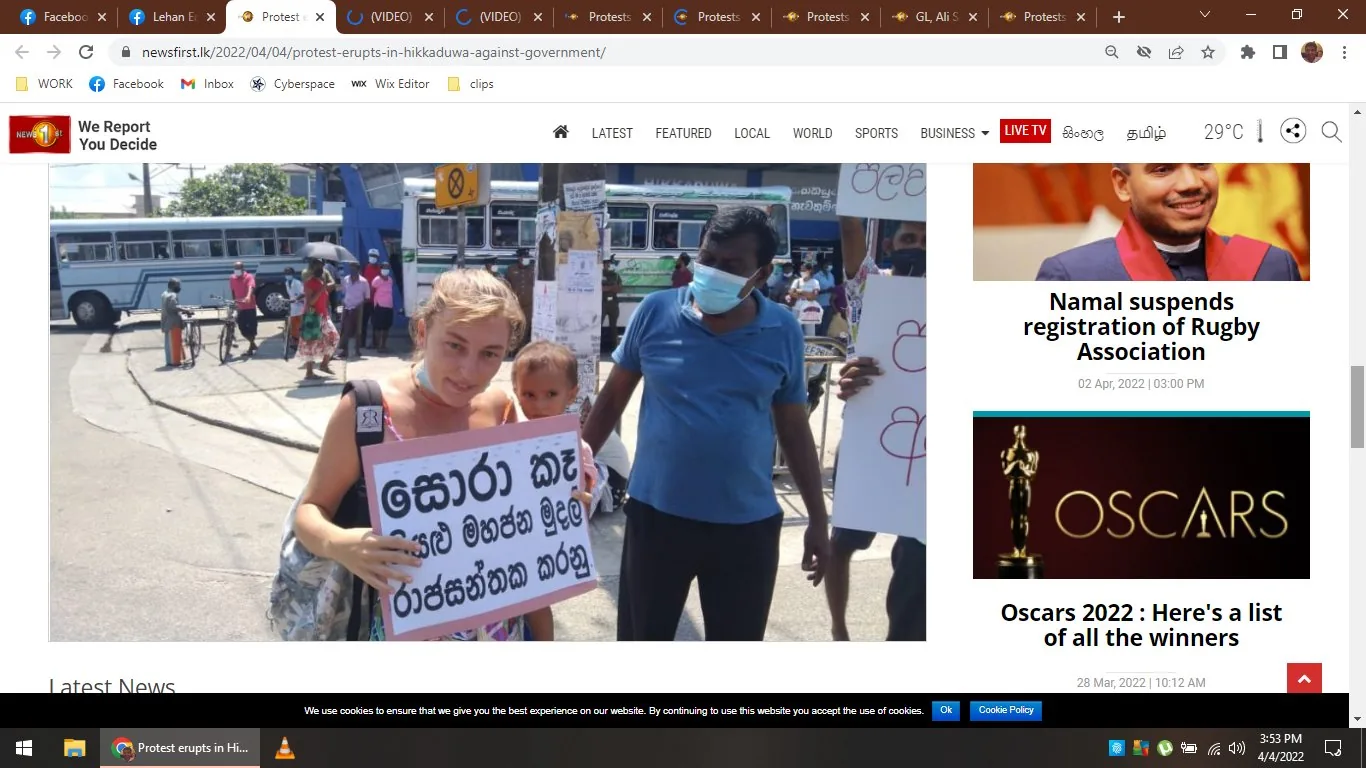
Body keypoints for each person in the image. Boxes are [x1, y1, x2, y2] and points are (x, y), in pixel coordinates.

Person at [284, 269, 595, 641]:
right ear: (422, 332)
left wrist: (562, 507)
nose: (469, 370)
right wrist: (344, 545)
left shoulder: (500, 408)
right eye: (455, 345)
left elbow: (519, 522)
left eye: (490, 354)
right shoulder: (367, 411)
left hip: (496, 627)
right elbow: (311, 510)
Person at [583, 206, 830, 641]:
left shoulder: (783, 330)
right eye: (709, 259)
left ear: (761, 272)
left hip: (746, 529)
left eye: (732, 265)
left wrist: (817, 517)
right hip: (656, 519)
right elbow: (609, 404)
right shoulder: (655, 312)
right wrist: (572, 476)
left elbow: (793, 429)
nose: (714, 272)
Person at [823, 216, 927, 642]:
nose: (916, 247)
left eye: (925, 241)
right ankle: (838, 630)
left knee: (919, 556)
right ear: (889, 243)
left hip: (927, 441)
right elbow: (850, 230)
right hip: (869, 434)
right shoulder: (871, 285)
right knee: (843, 542)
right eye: (908, 238)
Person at [1035, 163, 1301, 281]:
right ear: (1123, 184)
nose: (1192, 183)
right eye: (1162, 169)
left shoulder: (1272, 268)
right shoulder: (1074, 277)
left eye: (1201, 164)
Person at [511, 340, 616, 516]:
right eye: (529, 394)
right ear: (516, 392)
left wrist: (585, 499)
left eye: (551, 394)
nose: (540, 405)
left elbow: (586, 497)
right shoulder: (508, 442)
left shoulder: (576, 449)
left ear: (571, 395)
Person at [298, 259, 339, 379]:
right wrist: (321, 290)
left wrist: (324, 288)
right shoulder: (309, 283)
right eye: (317, 267)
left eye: (321, 266)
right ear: (312, 268)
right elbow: (311, 302)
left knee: (334, 337)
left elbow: (325, 298)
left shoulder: (321, 281)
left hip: (323, 315)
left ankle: (324, 364)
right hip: (312, 315)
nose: (321, 269)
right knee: (310, 344)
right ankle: (309, 372)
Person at [503, 248, 536, 349]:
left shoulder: (533, 270)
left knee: (527, 327)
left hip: (529, 305)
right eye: (523, 257)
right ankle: (514, 348)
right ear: (519, 258)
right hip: (516, 304)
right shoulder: (511, 269)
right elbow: (507, 285)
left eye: (526, 257)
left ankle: (522, 349)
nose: (525, 259)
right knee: (516, 326)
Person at [337, 263, 371, 360]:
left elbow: (367, 297)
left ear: (358, 270)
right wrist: (343, 301)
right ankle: (344, 350)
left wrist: (360, 304)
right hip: (347, 307)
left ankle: (357, 350)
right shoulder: (346, 280)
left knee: (358, 330)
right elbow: (343, 292)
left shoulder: (364, 282)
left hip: (358, 307)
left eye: (354, 269)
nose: (352, 271)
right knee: (344, 329)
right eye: (351, 269)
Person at [228, 261, 260, 356]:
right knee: (242, 328)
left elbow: (251, 287)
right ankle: (253, 344)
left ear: (242, 269)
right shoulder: (232, 278)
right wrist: (234, 302)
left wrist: (248, 296)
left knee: (252, 328)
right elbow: (233, 291)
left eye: (238, 268)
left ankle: (251, 348)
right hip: (240, 307)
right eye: (235, 268)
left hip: (249, 306)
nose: (236, 270)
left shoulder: (248, 277)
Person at [159, 278, 191, 368]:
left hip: (166, 322)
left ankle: (170, 361)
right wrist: (185, 309)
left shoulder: (164, 293)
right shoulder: (172, 295)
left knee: (168, 344)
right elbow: (174, 307)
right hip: (173, 323)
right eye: (178, 285)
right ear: (173, 286)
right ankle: (175, 362)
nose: (179, 287)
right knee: (174, 342)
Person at [787, 262, 823, 336]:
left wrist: (801, 291)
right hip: (797, 308)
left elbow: (814, 296)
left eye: (804, 270)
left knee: (810, 333)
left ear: (810, 271)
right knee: (796, 331)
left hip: (809, 309)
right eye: (801, 270)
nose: (802, 272)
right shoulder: (796, 281)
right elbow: (791, 293)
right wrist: (806, 295)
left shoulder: (815, 282)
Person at [360, 248, 384, 349]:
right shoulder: (364, 267)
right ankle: (362, 343)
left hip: (376, 301)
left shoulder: (380, 269)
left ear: (377, 258)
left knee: (376, 323)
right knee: (363, 323)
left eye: (374, 256)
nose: (373, 258)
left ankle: (375, 343)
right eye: (371, 256)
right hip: (365, 300)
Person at [369, 261, 396, 354]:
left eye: (387, 268)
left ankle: (383, 345)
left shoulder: (390, 280)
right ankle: (378, 345)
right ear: (380, 269)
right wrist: (374, 303)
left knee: (386, 327)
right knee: (378, 327)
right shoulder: (376, 280)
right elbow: (372, 292)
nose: (386, 270)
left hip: (389, 306)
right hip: (379, 306)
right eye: (384, 267)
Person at [601, 256, 623, 352]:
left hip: (613, 302)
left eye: (608, 263)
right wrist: (611, 287)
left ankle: (615, 348)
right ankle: (599, 347)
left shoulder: (615, 275)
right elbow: (600, 289)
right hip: (602, 302)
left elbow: (620, 289)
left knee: (613, 326)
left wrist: (608, 288)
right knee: (598, 325)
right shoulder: (599, 274)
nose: (608, 265)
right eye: (606, 263)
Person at [814, 256, 837, 335]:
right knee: (818, 325)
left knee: (826, 324)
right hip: (819, 304)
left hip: (829, 304)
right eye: (827, 264)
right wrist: (825, 291)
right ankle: (817, 341)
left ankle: (824, 342)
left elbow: (833, 287)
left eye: (830, 264)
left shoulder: (831, 275)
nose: (829, 266)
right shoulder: (817, 276)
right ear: (822, 265)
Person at [284, 266, 305, 352]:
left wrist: (296, 299)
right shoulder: (286, 283)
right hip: (293, 308)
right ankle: (296, 343)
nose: (288, 275)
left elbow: (303, 293)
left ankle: (303, 344)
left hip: (300, 306)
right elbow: (290, 295)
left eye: (289, 273)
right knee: (294, 327)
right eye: (286, 273)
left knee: (301, 326)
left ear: (292, 274)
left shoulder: (297, 283)